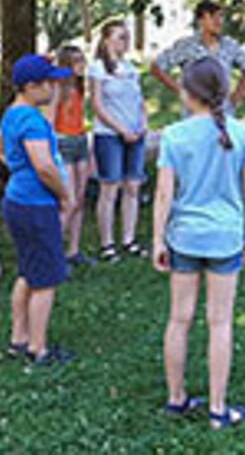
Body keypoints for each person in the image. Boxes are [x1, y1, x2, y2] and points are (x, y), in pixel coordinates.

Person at [153, 57, 245, 429]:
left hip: (184, 237)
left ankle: (176, 400)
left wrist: (158, 239)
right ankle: (218, 409)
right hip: (226, 239)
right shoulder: (243, 134)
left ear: (187, 92)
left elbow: (164, 195)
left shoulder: (174, 135)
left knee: (178, 319)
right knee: (220, 323)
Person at [1, 54, 76, 364]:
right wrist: (65, 195)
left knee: (28, 271)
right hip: (36, 205)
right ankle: (38, 349)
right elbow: (44, 166)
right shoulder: (31, 121)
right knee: (45, 280)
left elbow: (4, 152)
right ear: (31, 86)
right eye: (48, 83)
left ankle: (18, 339)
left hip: (17, 200)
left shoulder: (11, 114)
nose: (53, 88)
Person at [88, 20, 147, 261]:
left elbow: (140, 101)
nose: (126, 41)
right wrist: (121, 130)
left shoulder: (131, 67)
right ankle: (107, 244)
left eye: (127, 37)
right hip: (109, 135)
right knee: (109, 188)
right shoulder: (97, 68)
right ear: (106, 40)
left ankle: (129, 240)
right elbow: (97, 106)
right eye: (121, 36)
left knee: (133, 186)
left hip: (136, 134)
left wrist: (143, 124)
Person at [151, 0, 245, 114]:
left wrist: (234, 99)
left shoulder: (230, 46)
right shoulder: (186, 46)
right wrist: (182, 92)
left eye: (220, 17)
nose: (218, 22)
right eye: (212, 17)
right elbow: (157, 67)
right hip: (194, 114)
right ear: (201, 20)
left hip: (224, 114)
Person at [49, 46, 95, 269]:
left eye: (82, 59)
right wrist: (51, 148)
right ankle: (51, 254)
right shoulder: (58, 86)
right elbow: (49, 119)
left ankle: (73, 251)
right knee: (69, 201)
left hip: (80, 140)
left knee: (80, 198)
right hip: (64, 142)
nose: (82, 64)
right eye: (77, 61)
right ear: (66, 63)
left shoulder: (79, 85)